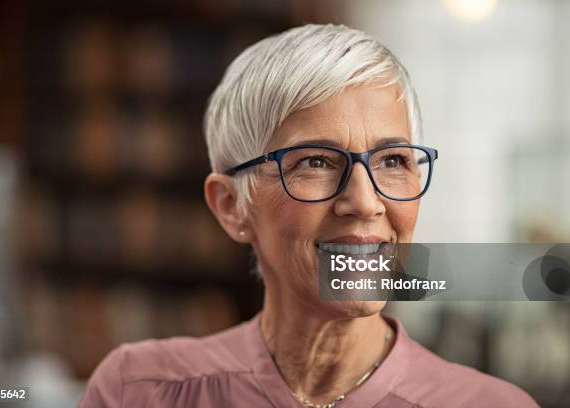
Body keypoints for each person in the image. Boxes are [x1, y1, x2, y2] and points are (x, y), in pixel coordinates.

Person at [79, 24, 539, 407]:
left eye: (393, 161)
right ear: (231, 206)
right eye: (315, 162)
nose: (364, 201)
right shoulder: (136, 392)